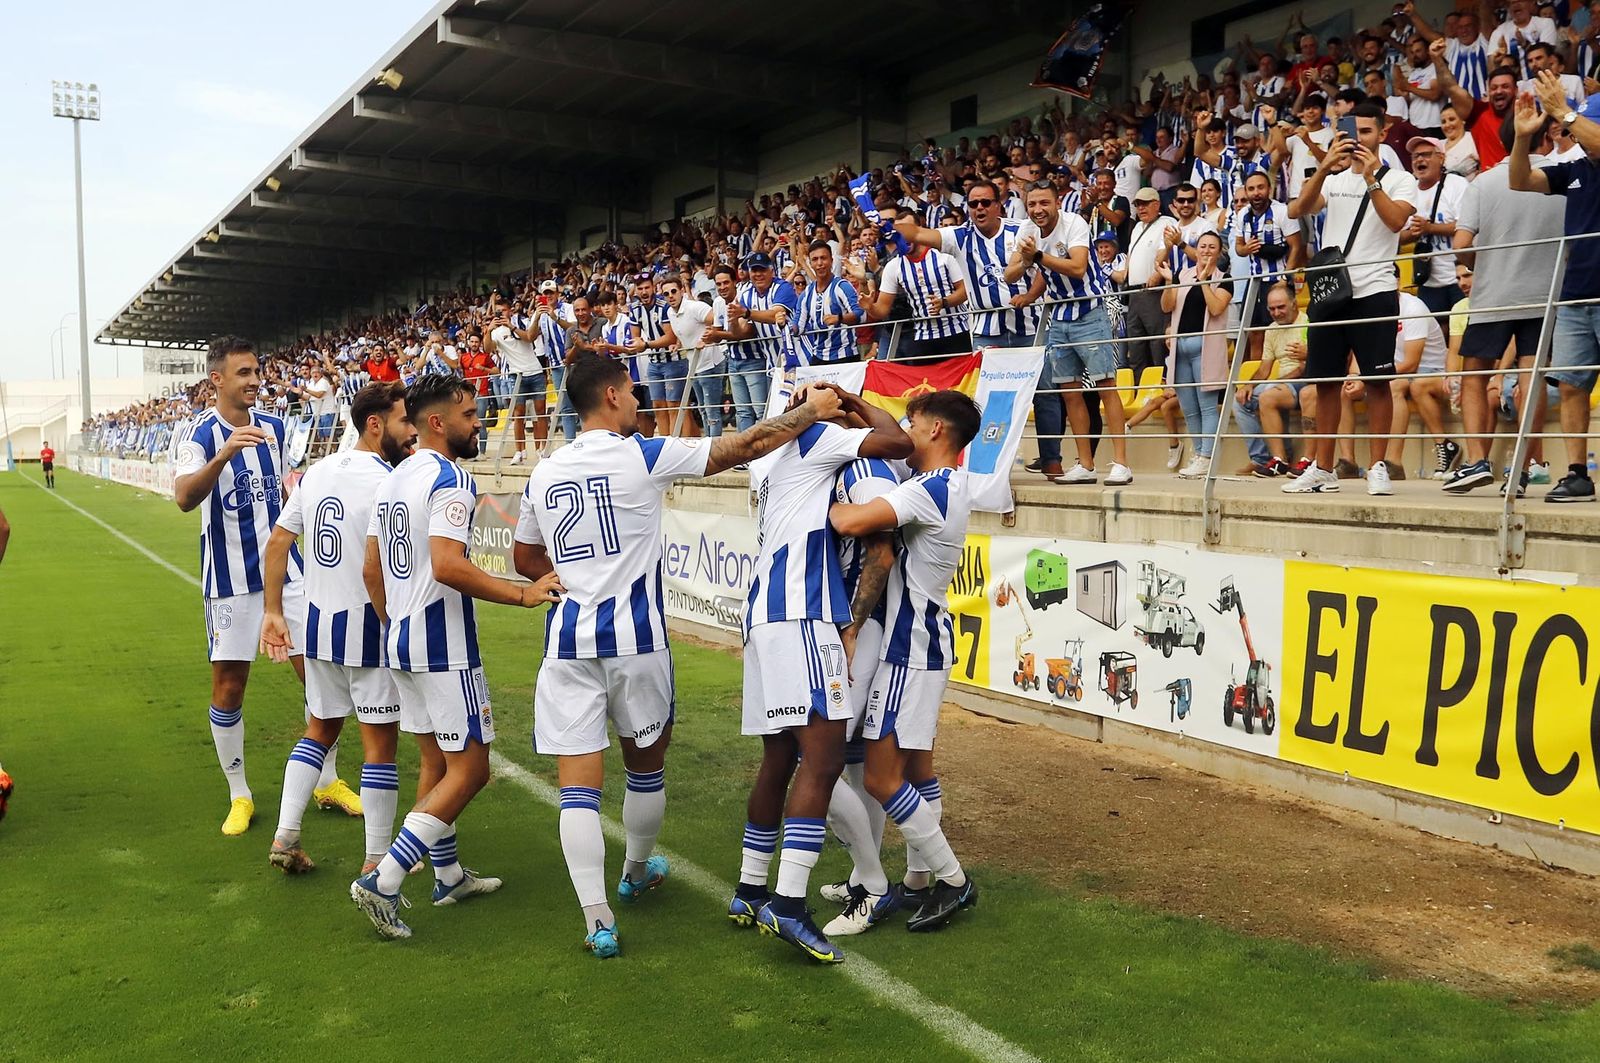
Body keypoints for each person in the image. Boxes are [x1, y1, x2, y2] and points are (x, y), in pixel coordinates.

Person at [513, 355, 843, 959]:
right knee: (645, 764)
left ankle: (597, 920)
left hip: (567, 642)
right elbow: (739, 447)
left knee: (577, 792)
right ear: (611, 395)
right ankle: (636, 870)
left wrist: (564, 581)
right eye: (632, 393)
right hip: (636, 641)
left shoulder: (544, 471)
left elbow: (524, 559)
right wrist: (809, 412)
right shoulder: (641, 453)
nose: (639, 401)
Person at [350, 374, 564, 940]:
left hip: (400, 640)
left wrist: (395, 622)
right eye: (470, 415)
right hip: (442, 647)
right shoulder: (449, 479)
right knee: (471, 769)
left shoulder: (394, 478)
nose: (479, 424)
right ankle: (386, 879)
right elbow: (446, 565)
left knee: (438, 764)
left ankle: (447, 877)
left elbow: (372, 570)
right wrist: (523, 592)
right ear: (439, 423)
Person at [730, 385, 911, 965]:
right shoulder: (819, 440)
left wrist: (820, 403)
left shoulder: (770, 455)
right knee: (826, 759)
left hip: (761, 615)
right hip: (803, 614)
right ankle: (789, 902)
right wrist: (850, 404)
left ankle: (751, 888)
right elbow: (899, 440)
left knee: (779, 759)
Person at [172, 335, 357, 835]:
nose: (255, 381)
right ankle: (240, 794)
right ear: (217, 379)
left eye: (257, 372)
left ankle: (328, 780)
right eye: (244, 373)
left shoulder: (276, 428)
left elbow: (285, 495)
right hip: (229, 584)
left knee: (319, 675)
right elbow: (185, 498)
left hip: (289, 575)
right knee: (229, 687)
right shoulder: (198, 435)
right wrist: (223, 455)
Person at [825, 390, 983, 936]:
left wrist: (812, 494)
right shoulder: (946, 485)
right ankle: (918, 878)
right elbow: (889, 431)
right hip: (926, 641)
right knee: (916, 769)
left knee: (881, 775)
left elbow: (849, 523)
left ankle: (953, 879)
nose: (902, 432)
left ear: (936, 430)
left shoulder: (929, 491)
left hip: (907, 646)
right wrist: (851, 402)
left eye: (912, 421)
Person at [258, 383, 416, 875]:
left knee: (319, 730)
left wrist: (273, 611)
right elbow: (381, 568)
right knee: (379, 748)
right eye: (402, 421)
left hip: (319, 627)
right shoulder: (389, 480)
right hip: (367, 629)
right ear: (375, 424)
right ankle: (375, 862)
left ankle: (286, 835)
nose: (409, 432)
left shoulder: (317, 473)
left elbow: (278, 542)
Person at [1285, 104, 1419, 495]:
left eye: (1365, 131)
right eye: (1351, 131)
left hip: (1375, 290)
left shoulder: (1400, 179)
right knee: (1326, 383)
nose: (1358, 139)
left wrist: (1372, 178)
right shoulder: (1333, 178)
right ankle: (1323, 468)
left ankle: (1377, 466)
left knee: (1377, 381)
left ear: (1381, 134)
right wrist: (1325, 168)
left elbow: (1396, 222)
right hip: (1331, 293)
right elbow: (1299, 209)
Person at [1445, 101, 1568, 493]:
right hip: (1544, 295)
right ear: (1544, 133)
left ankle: (1478, 461)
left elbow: (1461, 247)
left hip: (1494, 294)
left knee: (1475, 377)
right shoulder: (1560, 176)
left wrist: (1487, 252)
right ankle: (1526, 465)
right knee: (1529, 380)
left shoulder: (1482, 183)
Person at [1006, 179, 1134, 486]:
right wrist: (1027, 263)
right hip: (1059, 318)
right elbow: (1011, 274)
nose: (1038, 209)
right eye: (1033, 203)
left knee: (1106, 386)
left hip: (1090, 311)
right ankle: (1086, 465)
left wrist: (1036, 257)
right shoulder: (1027, 230)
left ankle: (1121, 464)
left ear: (1057, 202)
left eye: (1044, 203)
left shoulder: (1074, 223)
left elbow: (1077, 267)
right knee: (1070, 393)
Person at [1508, 77, 1600, 502]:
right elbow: (1520, 181)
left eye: (1585, 126)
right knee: (1570, 385)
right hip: (1576, 292)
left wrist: (1565, 111)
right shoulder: (1576, 170)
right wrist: (1523, 139)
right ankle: (1578, 473)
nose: (1578, 135)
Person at [891, 179, 1045, 350]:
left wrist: (1030, 296)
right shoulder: (959, 237)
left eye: (985, 202)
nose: (979, 207)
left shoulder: (1022, 229)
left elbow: (1045, 269)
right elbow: (917, 233)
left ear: (997, 206)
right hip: (986, 333)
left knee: (1040, 377)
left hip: (1031, 326)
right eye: (973, 203)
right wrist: (886, 227)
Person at [1156, 232, 1234, 478]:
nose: (1206, 251)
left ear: (1219, 252)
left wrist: (1203, 281)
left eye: (1212, 247)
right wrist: (1169, 282)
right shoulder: (1182, 274)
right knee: (1189, 408)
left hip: (1206, 347)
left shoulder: (1225, 279)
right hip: (1181, 348)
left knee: (1207, 407)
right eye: (1202, 246)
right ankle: (1198, 453)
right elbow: (1166, 306)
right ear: (1196, 249)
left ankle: (1207, 457)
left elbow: (1216, 307)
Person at [858, 203, 972, 359]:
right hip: (923, 337)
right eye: (898, 232)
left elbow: (965, 291)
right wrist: (870, 306)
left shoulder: (944, 255)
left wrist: (944, 302)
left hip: (957, 333)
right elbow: (882, 310)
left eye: (908, 231)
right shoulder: (894, 266)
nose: (904, 236)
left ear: (919, 230)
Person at [1232, 280, 1310, 476]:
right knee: (1239, 401)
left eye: (1281, 307)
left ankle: (1281, 459)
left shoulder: (1307, 322)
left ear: (1294, 303)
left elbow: (1304, 367)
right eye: (1272, 309)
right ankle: (1261, 458)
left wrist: (1276, 382)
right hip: (1282, 384)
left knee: (1270, 393)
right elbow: (1264, 367)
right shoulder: (1272, 328)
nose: (1276, 313)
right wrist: (1248, 385)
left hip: (1305, 381)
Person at [1388, 290, 1456, 477]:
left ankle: (1394, 461)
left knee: (1406, 386)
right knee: (1350, 389)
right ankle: (1354, 462)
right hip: (1399, 371)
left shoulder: (1413, 308)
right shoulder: (1372, 308)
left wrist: (1376, 374)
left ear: (1397, 282)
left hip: (1432, 371)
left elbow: (1411, 363)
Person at [1405, 136, 1469, 319]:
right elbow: (1397, 235)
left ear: (1441, 158)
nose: (1419, 160)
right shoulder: (1408, 190)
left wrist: (1429, 228)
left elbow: (1466, 225)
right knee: (1434, 334)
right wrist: (1414, 232)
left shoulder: (1457, 185)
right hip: (1428, 281)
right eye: (1415, 156)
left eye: (1425, 155)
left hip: (1458, 277)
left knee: (1462, 331)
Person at [486, 296, 548, 464]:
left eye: (504, 310)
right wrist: (488, 331)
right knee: (518, 414)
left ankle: (541, 449)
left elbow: (529, 337)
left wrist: (510, 325)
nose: (501, 314)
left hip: (534, 371)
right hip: (516, 374)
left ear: (510, 311)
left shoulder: (523, 321)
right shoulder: (496, 332)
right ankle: (520, 451)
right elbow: (488, 349)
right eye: (498, 312)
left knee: (540, 412)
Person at [794, 241, 863, 364]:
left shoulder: (842, 286)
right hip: (818, 357)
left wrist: (839, 318)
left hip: (845, 356)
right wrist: (783, 325)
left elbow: (861, 315)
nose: (820, 263)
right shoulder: (807, 293)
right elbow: (798, 327)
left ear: (831, 260)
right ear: (810, 264)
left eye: (823, 258)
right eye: (815, 259)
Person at [1440, 104, 1482, 178]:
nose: (1447, 125)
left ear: (1463, 120)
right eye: (1443, 122)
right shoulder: (1437, 145)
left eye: (1451, 119)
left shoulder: (1473, 140)